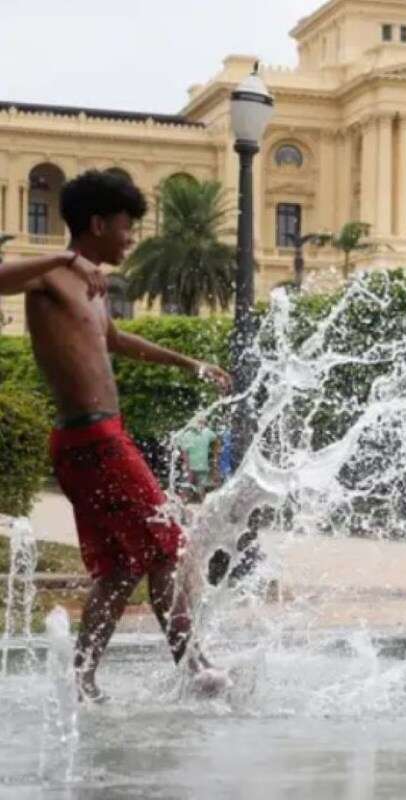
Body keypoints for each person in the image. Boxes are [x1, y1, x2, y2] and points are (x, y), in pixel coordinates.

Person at [0, 170, 233, 702]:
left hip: (93, 439)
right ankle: (196, 668)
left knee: (121, 566)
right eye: (126, 228)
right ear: (97, 223)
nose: (131, 239)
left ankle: (81, 680)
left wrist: (188, 361)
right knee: (169, 549)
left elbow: (115, 339)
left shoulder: (94, 286)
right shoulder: (56, 274)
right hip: (94, 440)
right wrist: (64, 258)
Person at [176, 423, 222, 502]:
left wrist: (215, 456)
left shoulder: (207, 433)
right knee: (187, 485)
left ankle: (202, 503)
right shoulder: (188, 435)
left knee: (200, 486)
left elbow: (217, 442)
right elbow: (184, 451)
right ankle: (183, 501)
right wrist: (187, 464)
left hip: (201, 465)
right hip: (192, 466)